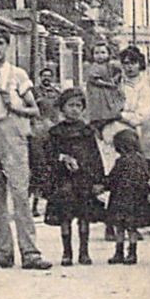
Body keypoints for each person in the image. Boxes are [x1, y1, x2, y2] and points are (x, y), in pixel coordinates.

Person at [0, 28, 52, 270]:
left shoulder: (17, 75)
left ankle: (30, 251)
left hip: (12, 133)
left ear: (7, 46)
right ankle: (4, 251)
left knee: (20, 193)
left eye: (0, 43)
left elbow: (35, 110)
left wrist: (14, 105)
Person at [44, 88, 105, 265]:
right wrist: (62, 158)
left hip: (84, 179)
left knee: (84, 215)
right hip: (63, 179)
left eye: (79, 105)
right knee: (65, 215)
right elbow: (49, 155)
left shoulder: (87, 131)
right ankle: (67, 252)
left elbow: (95, 156)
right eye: (70, 105)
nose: (75, 109)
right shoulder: (56, 132)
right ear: (62, 108)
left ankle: (84, 252)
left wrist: (99, 180)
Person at [104, 128, 150, 265]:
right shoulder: (142, 161)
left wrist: (103, 184)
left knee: (120, 227)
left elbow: (113, 178)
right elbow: (146, 178)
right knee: (132, 227)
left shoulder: (121, 161)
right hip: (136, 198)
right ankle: (131, 252)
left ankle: (119, 252)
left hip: (120, 198)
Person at [29, 66, 61, 217]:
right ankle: (32, 205)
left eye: (49, 76)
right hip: (37, 134)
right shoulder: (33, 92)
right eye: (44, 76)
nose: (47, 78)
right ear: (40, 77)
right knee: (37, 169)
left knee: (52, 168)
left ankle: (50, 204)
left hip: (52, 135)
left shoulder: (56, 93)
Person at [117, 46, 150, 158]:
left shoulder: (144, 87)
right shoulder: (117, 85)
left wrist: (120, 115)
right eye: (126, 63)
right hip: (117, 131)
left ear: (140, 64)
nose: (129, 67)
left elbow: (142, 116)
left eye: (133, 63)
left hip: (139, 133)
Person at [83, 41, 124, 145]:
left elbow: (119, 72)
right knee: (99, 114)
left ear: (108, 54)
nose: (99, 56)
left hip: (109, 94)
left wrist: (115, 79)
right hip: (97, 94)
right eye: (96, 53)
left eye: (102, 52)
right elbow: (95, 80)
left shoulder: (110, 66)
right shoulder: (94, 67)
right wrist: (108, 84)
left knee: (112, 112)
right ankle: (98, 133)